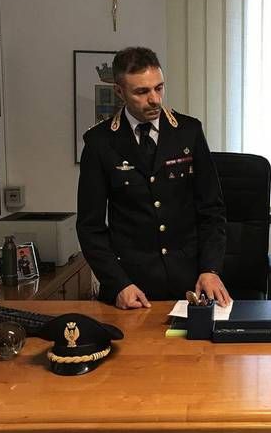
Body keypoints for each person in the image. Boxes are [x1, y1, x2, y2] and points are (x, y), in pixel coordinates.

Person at [77, 47, 231, 309]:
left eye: (159, 88)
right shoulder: (100, 142)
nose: (155, 99)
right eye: (141, 92)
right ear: (119, 92)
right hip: (131, 287)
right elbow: (90, 227)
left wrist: (211, 269)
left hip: (191, 282)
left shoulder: (188, 132)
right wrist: (118, 283)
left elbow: (212, 210)